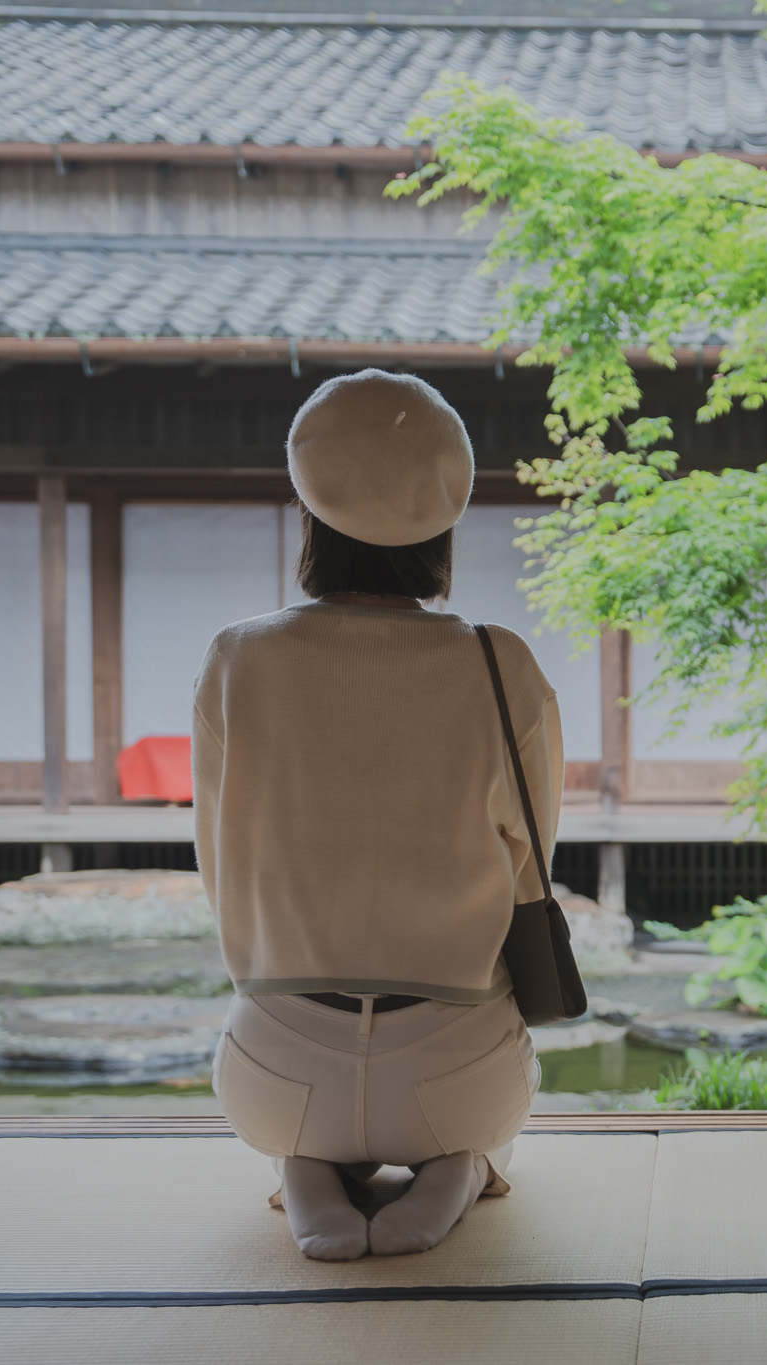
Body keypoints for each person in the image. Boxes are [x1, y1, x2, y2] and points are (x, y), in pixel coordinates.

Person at [192, 369, 561, 1261]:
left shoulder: (238, 659)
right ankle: (455, 1169)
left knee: (298, 1092)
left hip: (276, 1073)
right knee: (493, 1094)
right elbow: (530, 867)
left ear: (310, 510)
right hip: (455, 1073)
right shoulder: (496, 662)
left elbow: (220, 867)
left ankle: (308, 1169)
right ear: (444, 522)